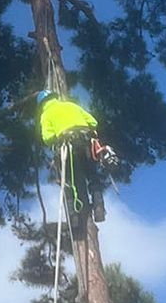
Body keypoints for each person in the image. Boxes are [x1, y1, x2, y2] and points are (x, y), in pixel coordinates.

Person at [36, 88, 121, 222]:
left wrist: (57, 135)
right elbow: (94, 123)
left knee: (69, 181)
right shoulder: (71, 105)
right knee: (92, 176)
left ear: (42, 104)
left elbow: (47, 138)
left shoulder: (46, 114)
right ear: (55, 97)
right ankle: (99, 207)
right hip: (86, 142)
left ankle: (73, 215)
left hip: (67, 146)